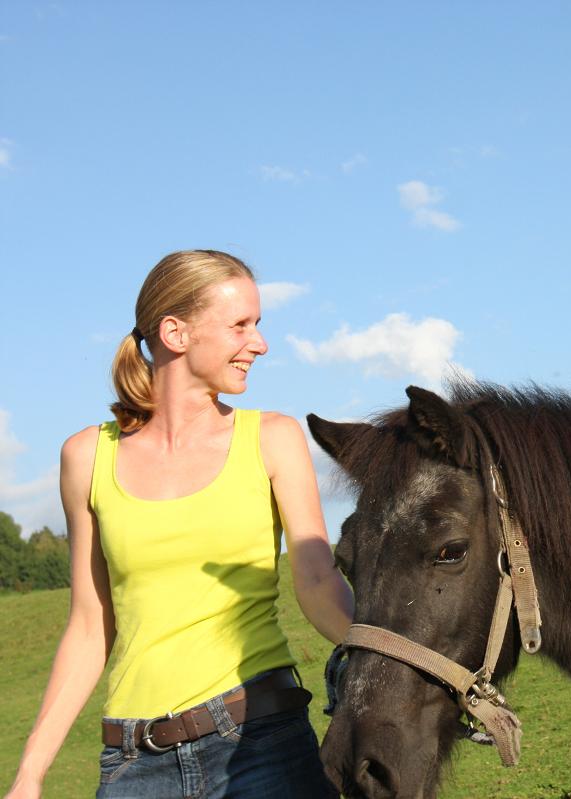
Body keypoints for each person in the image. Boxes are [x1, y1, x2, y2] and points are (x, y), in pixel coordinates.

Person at [5, 250, 354, 798]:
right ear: (175, 332)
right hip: (131, 764)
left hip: (261, 744)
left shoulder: (272, 439)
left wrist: (403, 663)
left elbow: (316, 582)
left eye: (257, 325)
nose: (259, 343)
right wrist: (29, 774)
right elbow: (91, 624)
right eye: (241, 325)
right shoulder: (85, 457)